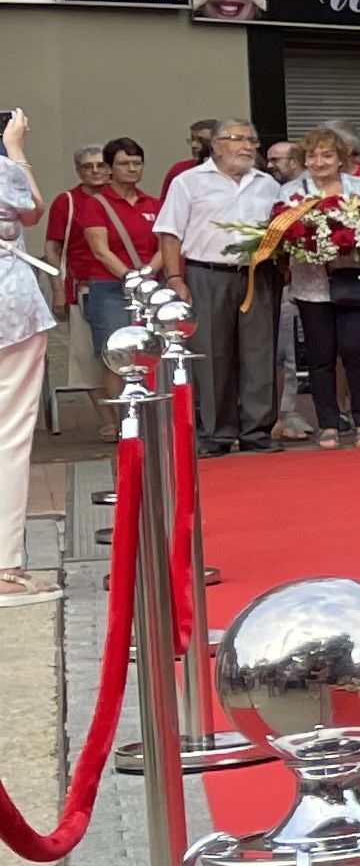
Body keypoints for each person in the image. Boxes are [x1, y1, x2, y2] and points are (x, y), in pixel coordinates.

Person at [157, 118, 284, 451]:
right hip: (207, 274)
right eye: (238, 139)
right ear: (215, 145)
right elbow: (170, 232)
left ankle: (257, 431)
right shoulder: (188, 182)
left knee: (259, 353)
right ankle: (216, 433)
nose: (247, 147)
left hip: (258, 275)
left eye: (251, 140)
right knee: (213, 354)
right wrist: (174, 278)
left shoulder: (268, 184)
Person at [273, 129, 360, 445]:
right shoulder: (291, 192)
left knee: (354, 349)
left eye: (327, 155)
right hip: (311, 284)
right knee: (320, 354)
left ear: (340, 158)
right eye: (312, 155)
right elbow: (281, 233)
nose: (319, 161)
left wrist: (356, 240)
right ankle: (328, 422)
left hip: (354, 280)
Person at [0, 110, 51, 596]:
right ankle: (3, 565)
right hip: (8, 307)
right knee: (10, 433)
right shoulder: (2, 167)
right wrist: (15, 150)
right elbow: (33, 208)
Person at [55, 136, 160, 360]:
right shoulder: (96, 204)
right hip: (110, 287)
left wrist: (148, 274)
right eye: (124, 164)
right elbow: (100, 250)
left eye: (137, 163)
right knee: (116, 354)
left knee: (151, 352)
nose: (132, 168)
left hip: (150, 287)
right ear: (111, 168)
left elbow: (166, 245)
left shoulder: (153, 203)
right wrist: (131, 277)